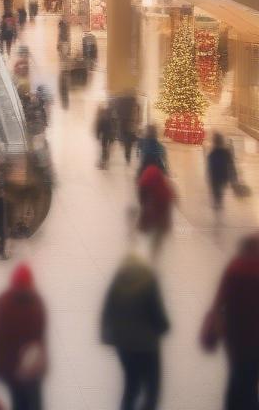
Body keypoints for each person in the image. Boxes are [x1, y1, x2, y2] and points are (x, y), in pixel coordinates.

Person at [101, 253, 169, 410]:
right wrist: (164, 327)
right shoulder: (149, 282)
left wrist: (107, 335)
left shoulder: (117, 283)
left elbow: (108, 310)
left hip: (124, 345)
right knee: (152, 388)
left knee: (131, 385)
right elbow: (157, 312)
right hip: (147, 345)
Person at [0, 263, 47, 410]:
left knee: (27, 402)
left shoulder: (31, 303)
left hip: (24, 368)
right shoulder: (5, 305)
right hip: (14, 370)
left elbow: (40, 339)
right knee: (26, 402)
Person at [204, 233, 259, 410]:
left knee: (238, 380)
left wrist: (219, 328)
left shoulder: (233, 269)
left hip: (235, 339)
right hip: (254, 339)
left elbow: (219, 303)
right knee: (248, 383)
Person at [137, 164, 175, 258]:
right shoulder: (161, 184)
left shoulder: (145, 181)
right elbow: (169, 196)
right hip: (161, 207)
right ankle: (155, 249)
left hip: (156, 208)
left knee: (155, 231)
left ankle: (154, 249)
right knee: (158, 232)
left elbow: (142, 197)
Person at [207, 132, 239, 213]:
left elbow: (210, 167)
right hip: (224, 175)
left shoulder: (212, 153)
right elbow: (231, 165)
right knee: (219, 188)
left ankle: (217, 201)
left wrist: (209, 177)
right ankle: (219, 201)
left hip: (215, 176)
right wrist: (234, 178)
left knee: (216, 189)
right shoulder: (226, 152)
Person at [113, 91, 141, 165]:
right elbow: (138, 116)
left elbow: (119, 114)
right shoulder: (135, 104)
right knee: (129, 144)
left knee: (127, 143)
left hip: (127, 126)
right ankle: (128, 156)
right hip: (131, 127)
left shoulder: (124, 104)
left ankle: (127, 156)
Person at [95, 102, 116, 169]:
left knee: (104, 149)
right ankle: (105, 163)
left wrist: (97, 135)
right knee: (106, 149)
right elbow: (115, 127)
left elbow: (99, 128)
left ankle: (103, 163)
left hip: (105, 136)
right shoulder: (112, 118)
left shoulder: (102, 118)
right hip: (110, 136)